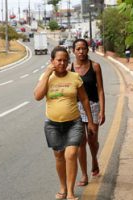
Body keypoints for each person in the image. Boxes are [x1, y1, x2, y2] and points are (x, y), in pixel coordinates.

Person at [34, 46, 96, 200]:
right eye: (58, 60)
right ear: (52, 61)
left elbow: (85, 99)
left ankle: (70, 192)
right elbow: (37, 96)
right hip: (53, 125)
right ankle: (62, 187)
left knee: (71, 154)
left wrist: (89, 122)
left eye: (65, 60)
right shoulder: (46, 76)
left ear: (68, 61)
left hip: (74, 123)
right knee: (59, 156)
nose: (62, 63)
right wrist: (48, 73)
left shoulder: (74, 77)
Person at [68, 39, 105, 187]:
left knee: (92, 140)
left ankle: (94, 160)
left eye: (83, 48)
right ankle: (84, 175)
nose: (81, 51)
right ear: (73, 51)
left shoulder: (95, 66)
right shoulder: (70, 68)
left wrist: (103, 110)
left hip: (93, 106)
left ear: (88, 50)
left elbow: (100, 89)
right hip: (76, 108)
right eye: (78, 49)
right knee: (80, 142)